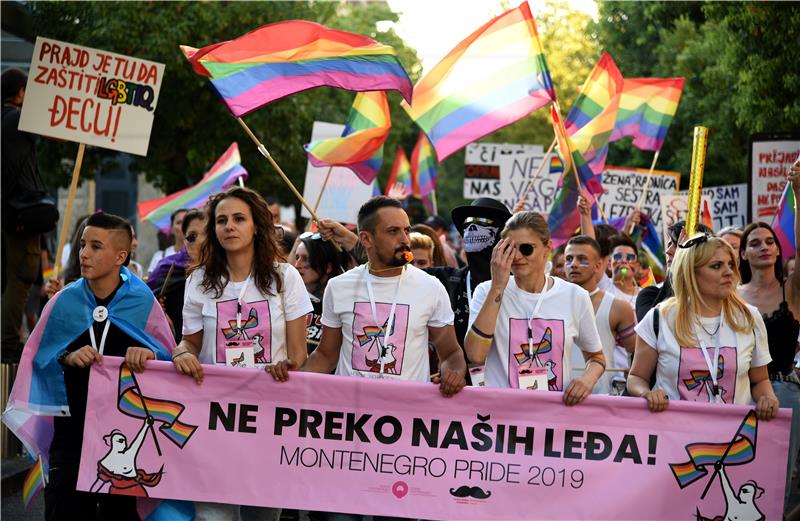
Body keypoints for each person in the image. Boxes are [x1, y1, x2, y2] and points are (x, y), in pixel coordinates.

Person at [3, 212, 174, 520]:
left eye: (96, 246)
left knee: (119, 516)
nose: (84, 253)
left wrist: (148, 355)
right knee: (64, 512)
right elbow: (37, 358)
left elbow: (167, 359)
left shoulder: (143, 302)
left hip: (122, 437)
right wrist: (67, 356)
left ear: (121, 256)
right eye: (83, 244)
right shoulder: (63, 301)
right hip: (70, 434)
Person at [171, 186, 312, 521]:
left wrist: (287, 365)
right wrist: (181, 355)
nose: (229, 227)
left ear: (256, 226)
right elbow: (189, 342)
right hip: (212, 416)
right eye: (221, 221)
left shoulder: (285, 278)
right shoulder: (199, 281)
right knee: (211, 516)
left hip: (268, 416)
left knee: (262, 516)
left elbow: (298, 355)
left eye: (238, 219)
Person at [628, 235, 779, 419]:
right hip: (672, 435)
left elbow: (760, 380)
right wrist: (646, 394)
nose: (728, 272)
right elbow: (636, 378)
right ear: (692, 272)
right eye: (716, 266)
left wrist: (767, 398)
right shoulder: (660, 318)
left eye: (731, 264)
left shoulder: (749, 318)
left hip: (733, 439)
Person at [465, 211, 606, 403]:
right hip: (500, 415)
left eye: (526, 248)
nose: (517, 256)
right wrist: (498, 286)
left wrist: (586, 380)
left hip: (551, 416)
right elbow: (475, 355)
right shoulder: (486, 291)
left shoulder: (575, 296)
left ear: (547, 248)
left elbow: (596, 358)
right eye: (510, 248)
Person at [737, 167, 800, 513]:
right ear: (743, 254)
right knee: (741, 472)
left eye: (770, 241)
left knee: (783, 476)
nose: (764, 246)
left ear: (779, 250)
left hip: (786, 391)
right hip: (738, 392)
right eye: (754, 243)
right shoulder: (729, 295)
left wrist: (799, 196)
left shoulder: (792, 291)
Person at [2, 68, 50, 362]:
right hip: (18, 213)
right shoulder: (16, 118)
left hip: (5, 210)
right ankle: (7, 346)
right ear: (21, 93)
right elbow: (59, 133)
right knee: (20, 277)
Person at [565, 235, 637, 395]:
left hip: (600, 401)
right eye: (568, 259)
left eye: (582, 259)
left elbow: (635, 352)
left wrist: (634, 375)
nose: (574, 264)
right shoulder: (551, 302)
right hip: (555, 399)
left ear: (598, 266)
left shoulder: (618, 307)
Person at [635, 220, 713, 322]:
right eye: (669, 244)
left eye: (677, 245)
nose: (668, 251)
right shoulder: (649, 295)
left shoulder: (714, 297)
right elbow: (654, 326)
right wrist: (677, 268)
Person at [147, 208, 206, 341]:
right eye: (192, 237)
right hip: (177, 347)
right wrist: (158, 311)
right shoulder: (167, 267)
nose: (199, 242)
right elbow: (143, 301)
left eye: (206, 234)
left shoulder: (226, 271)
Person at [291, 231, 351, 354]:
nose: (297, 265)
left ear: (328, 266)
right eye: (297, 257)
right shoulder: (290, 301)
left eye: (306, 259)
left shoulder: (344, 305)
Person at [146, 208, 187, 275]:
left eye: (186, 222)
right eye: (179, 222)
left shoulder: (200, 256)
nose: (183, 226)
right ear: (171, 229)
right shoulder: (160, 256)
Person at [608, 234, 640, 306]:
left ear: (637, 266)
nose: (624, 261)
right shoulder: (603, 287)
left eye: (630, 257)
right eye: (618, 257)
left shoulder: (644, 296)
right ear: (609, 265)